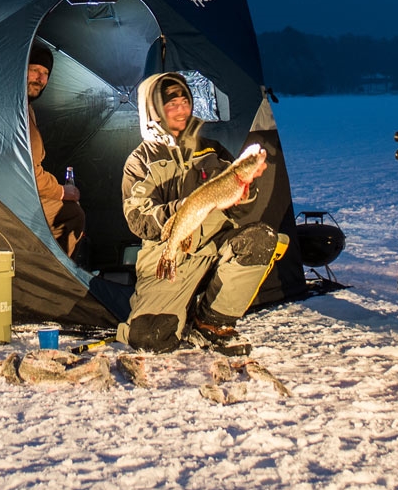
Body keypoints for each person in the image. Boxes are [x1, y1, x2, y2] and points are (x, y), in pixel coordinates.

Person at [118, 72, 285, 356]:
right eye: (172, 103)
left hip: (213, 247)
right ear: (156, 109)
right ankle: (178, 306)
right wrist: (180, 210)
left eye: (186, 101)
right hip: (168, 255)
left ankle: (212, 323)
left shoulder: (213, 150)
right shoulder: (141, 159)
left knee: (260, 239)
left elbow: (241, 208)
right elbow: (138, 219)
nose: (182, 109)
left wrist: (246, 189)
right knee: (149, 338)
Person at [27, 44, 85, 256]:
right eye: (35, 70)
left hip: (23, 192)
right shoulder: (16, 110)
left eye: (45, 74)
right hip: (11, 197)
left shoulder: (28, 109)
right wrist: (62, 192)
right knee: (71, 214)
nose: (40, 79)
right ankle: (53, 275)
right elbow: (29, 172)